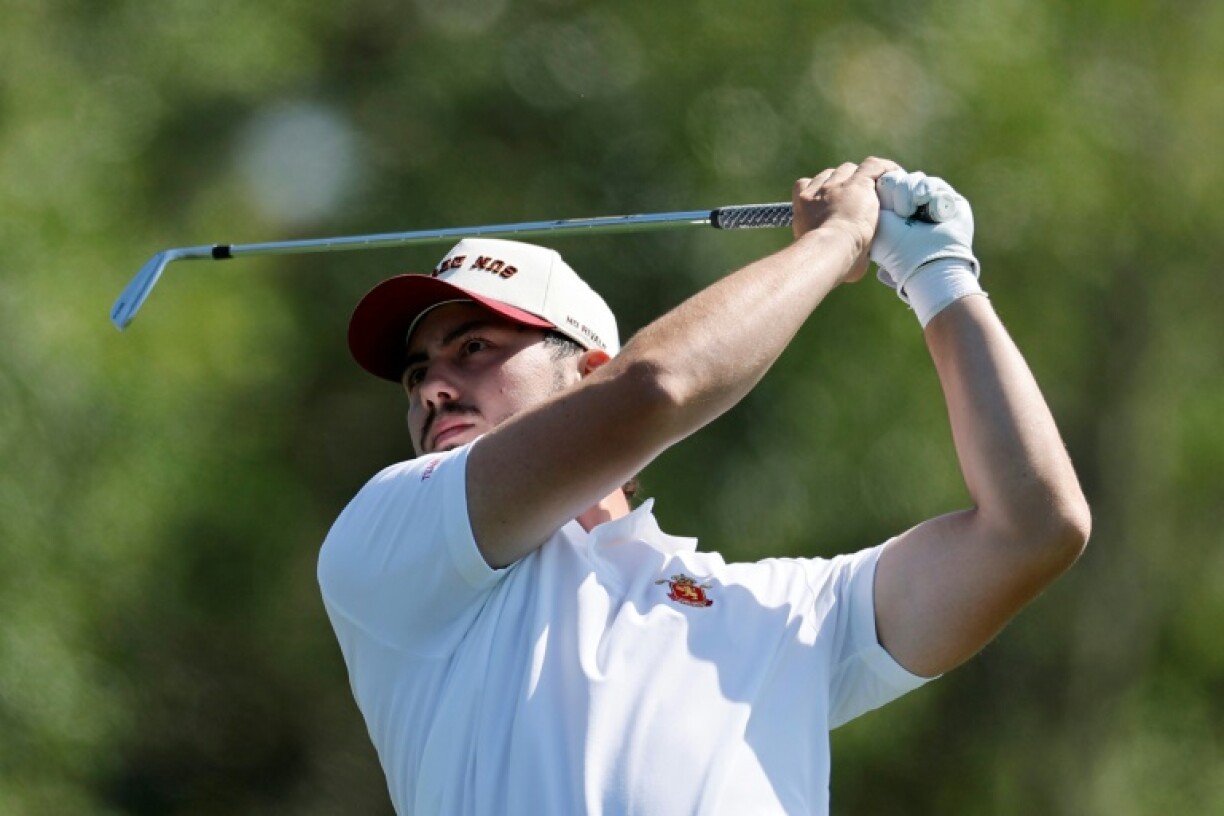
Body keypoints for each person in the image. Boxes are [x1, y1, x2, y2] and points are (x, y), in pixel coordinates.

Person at [317, 158, 1091, 815]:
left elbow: (1032, 529)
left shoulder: (782, 615)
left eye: (474, 348)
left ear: (588, 369)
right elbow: (659, 388)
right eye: (417, 373)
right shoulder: (393, 531)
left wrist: (938, 273)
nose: (432, 391)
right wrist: (839, 238)